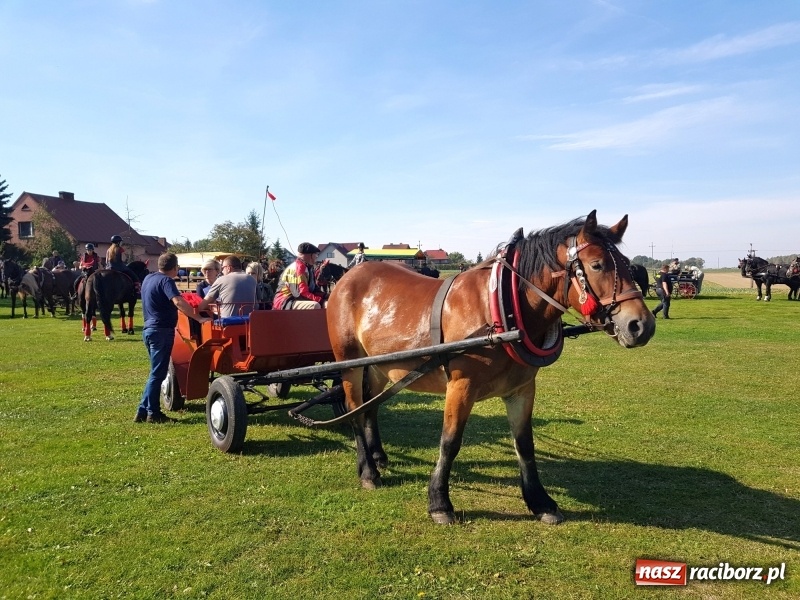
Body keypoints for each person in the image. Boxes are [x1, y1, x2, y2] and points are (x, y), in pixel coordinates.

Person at [134, 252, 208, 424]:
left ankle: (142, 410)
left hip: (149, 330)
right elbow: (178, 302)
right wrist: (197, 317)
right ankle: (154, 413)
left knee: (156, 372)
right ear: (174, 268)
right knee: (157, 374)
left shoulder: (148, 279)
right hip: (161, 331)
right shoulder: (166, 281)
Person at [273, 243, 326, 310]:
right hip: (285, 301)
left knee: (328, 303)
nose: (316, 257)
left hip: (295, 299)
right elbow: (300, 294)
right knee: (315, 306)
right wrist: (320, 300)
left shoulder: (308, 268)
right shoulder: (298, 268)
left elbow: (314, 290)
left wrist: (326, 296)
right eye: (316, 254)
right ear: (310, 255)